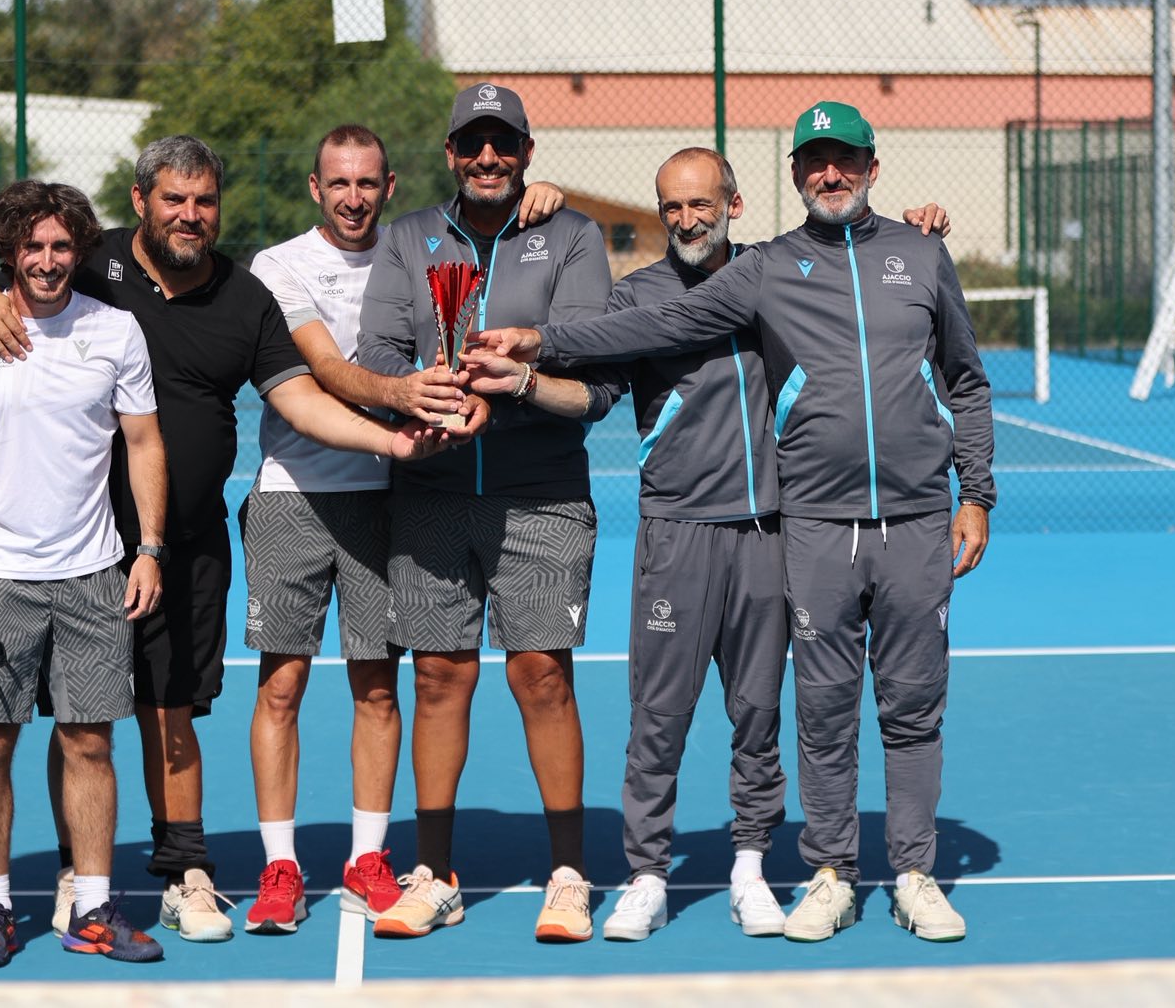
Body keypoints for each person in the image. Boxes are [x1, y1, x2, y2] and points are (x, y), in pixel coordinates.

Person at [476, 101, 994, 945]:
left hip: (847, 526)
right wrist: (541, 343)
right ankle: (737, 873)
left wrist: (977, 491)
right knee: (734, 714)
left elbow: (960, 372)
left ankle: (846, 869)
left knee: (841, 713)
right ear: (795, 175)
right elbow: (651, 325)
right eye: (817, 161)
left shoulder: (857, 261)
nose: (833, 173)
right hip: (746, 528)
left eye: (846, 159)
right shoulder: (723, 278)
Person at [0, 135, 452, 945]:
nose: (191, 215)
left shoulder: (244, 296)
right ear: (141, 198)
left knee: (172, 707)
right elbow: (15, 272)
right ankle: (81, 876)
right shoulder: (90, 261)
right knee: (79, 723)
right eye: (175, 199)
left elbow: (294, 395)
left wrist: (392, 441)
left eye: (205, 201)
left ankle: (185, 870)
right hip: (76, 548)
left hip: (181, 543)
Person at [238, 125, 548, 933]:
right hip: (293, 495)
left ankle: (368, 858)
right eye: (338, 183)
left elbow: (495, 239)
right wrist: (407, 396)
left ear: (389, 184)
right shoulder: (279, 266)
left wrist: (541, 203)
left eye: (368, 184)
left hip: (392, 500)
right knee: (282, 683)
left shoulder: (411, 252)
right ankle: (279, 866)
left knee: (378, 684)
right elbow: (324, 369)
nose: (353, 198)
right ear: (315, 188)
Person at [356, 82, 622, 943]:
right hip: (432, 491)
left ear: (526, 151)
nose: (487, 158)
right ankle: (435, 873)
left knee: (541, 673)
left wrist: (504, 393)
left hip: (541, 493)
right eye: (472, 143)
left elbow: (587, 357)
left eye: (502, 143)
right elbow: (381, 352)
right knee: (437, 677)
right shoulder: (407, 239)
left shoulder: (572, 236)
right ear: (449, 155)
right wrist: (427, 398)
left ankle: (570, 874)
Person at [0, 181, 166, 969]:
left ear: (81, 250)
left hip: (95, 574)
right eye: (31, 247)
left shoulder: (116, 331)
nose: (47, 261)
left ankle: (96, 909)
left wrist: (150, 547)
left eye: (62, 246)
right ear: (7, 251)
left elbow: (142, 442)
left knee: (91, 743)